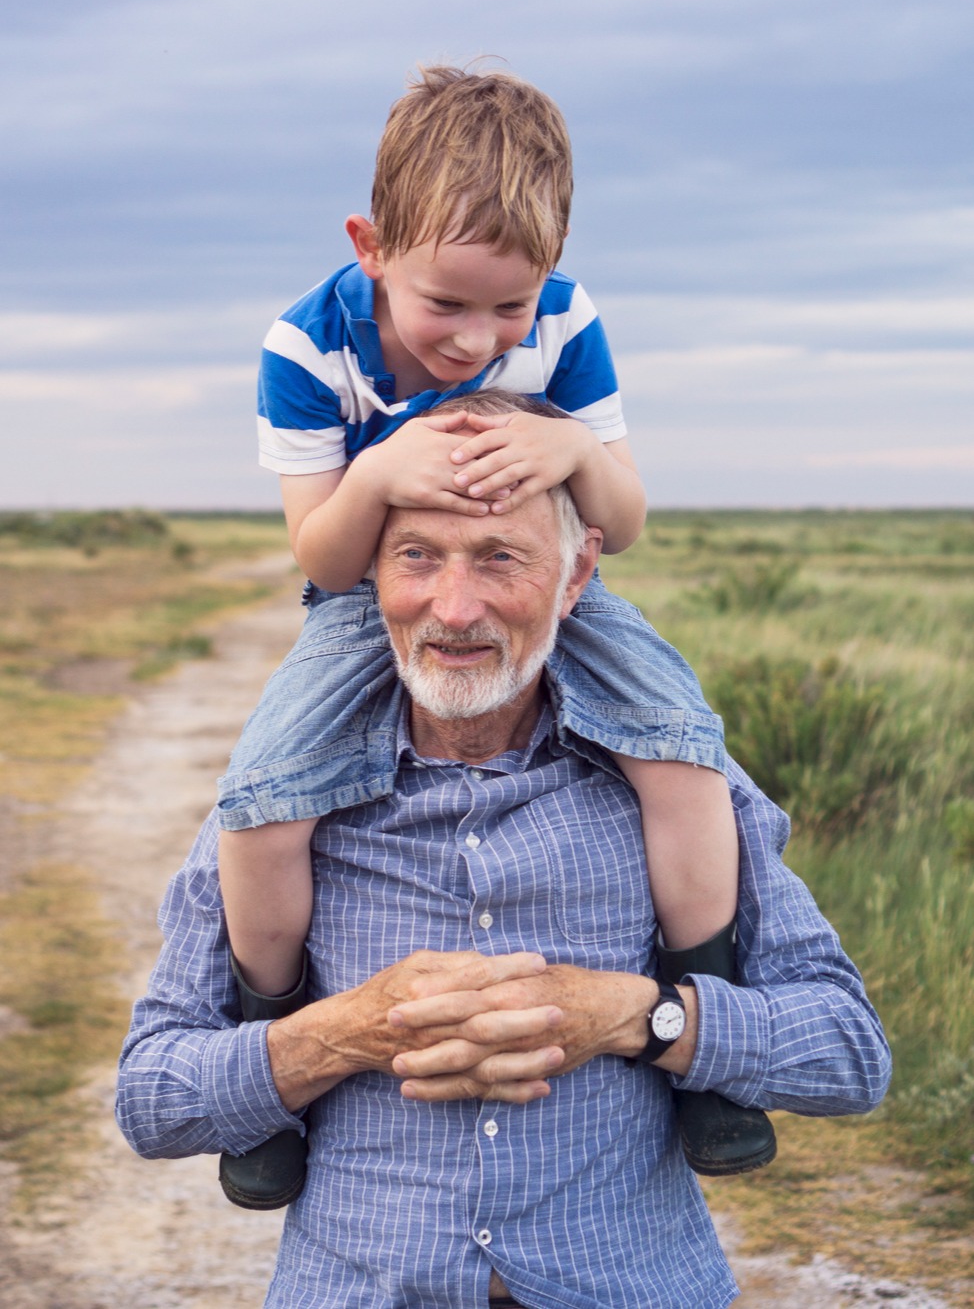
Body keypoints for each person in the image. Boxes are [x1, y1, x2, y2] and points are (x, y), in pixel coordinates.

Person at [117, 473, 891, 1309]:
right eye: (416, 557)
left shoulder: (684, 785)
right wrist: (341, 1034)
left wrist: (641, 1016)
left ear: (577, 573)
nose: (454, 608)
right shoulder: (278, 799)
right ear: (369, 573)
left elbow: (849, 1053)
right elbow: (152, 1098)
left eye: (501, 559)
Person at [216, 64, 760, 1208]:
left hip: (556, 580)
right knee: (265, 795)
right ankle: (272, 1055)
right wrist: (378, 474)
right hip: (368, 597)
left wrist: (572, 455)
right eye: (445, 305)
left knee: (681, 748)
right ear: (370, 245)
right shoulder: (306, 347)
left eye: (507, 306)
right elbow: (318, 554)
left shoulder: (568, 320)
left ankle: (705, 1025)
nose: (477, 339)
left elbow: (625, 520)